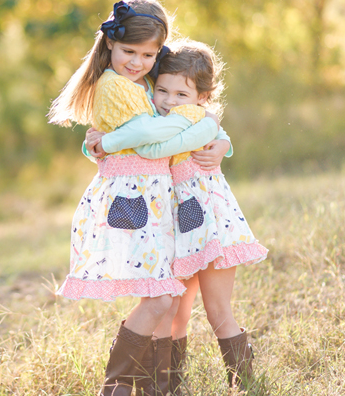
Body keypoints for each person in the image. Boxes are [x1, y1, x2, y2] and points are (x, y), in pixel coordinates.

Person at [48, 0, 227, 396]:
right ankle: (117, 387)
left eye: (148, 54)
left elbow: (170, 117)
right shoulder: (115, 86)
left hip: (156, 200)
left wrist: (219, 134)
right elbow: (151, 135)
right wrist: (204, 120)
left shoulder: (142, 82)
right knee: (162, 295)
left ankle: (147, 387)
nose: (137, 61)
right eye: (129, 50)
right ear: (109, 43)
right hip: (136, 201)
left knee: (164, 293)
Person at [87, 38, 268, 392]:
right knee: (173, 313)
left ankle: (246, 384)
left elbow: (153, 146)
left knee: (217, 311)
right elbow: (138, 137)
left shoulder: (196, 119)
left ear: (202, 96)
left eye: (181, 94)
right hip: (174, 225)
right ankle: (166, 385)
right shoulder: (160, 116)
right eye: (163, 91)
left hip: (209, 222)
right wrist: (95, 141)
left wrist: (221, 138)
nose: (170, 101)